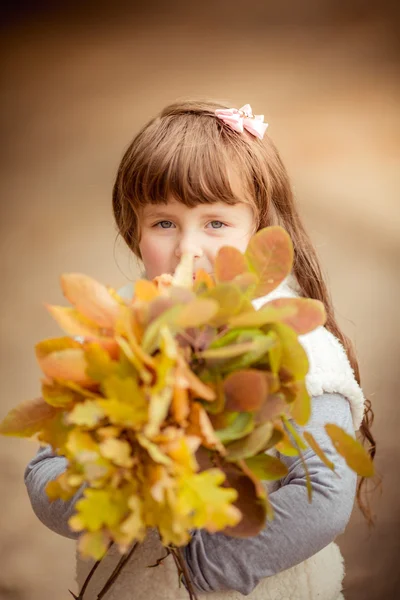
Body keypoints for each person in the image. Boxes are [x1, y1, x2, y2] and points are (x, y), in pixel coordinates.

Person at [24, 100, 375, 600]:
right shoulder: (108, 332)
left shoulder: (293, 343)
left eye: (216, 224)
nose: (189, 250)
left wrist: (207, 567)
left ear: (259, 229)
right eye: (163, 223)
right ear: (134, 230)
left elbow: (322, 494)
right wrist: (117, 494)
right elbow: (45, 471)